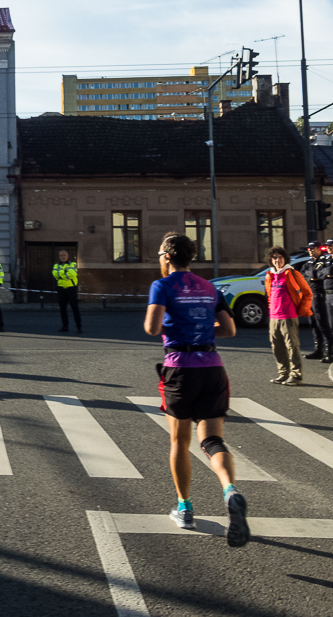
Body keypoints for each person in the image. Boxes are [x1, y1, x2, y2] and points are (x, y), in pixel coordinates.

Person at [144, 232, 249, 548]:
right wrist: (201, 326)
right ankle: (230, 489)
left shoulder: (162, 285)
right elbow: (229, 329)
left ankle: (185, 507)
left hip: (180, 366)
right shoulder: (209, 287)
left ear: (166, 257)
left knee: (179, 440)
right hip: (213, 367)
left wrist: (178, 326)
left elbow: (151, 327)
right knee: (213, 440)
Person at [263, 247, 312, 385]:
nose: (277, 260)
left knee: (292, 346)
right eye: (274, 258)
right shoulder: (270, 275)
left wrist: (302, 310)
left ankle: (296, 375)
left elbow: (307, 293)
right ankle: (283, 373)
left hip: (288, 316)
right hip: (274, 317)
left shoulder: (292, 274)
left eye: (279, 257)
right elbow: (270, 296)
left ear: (285, 259)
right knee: (276, 346)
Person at [300, 241, 328, 359]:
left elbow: (321, 275)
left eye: (313, 249)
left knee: (322, 322)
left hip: (320, 294)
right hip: (310, 295)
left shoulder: (324, 261)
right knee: (314, 323)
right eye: (309, 249)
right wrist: (311, 276)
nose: (310, 251)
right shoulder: (309, 262)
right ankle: (318, 350)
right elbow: (302, 275)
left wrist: (311, 275)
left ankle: (329, 350)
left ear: (319, 249)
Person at [52, 249, 82, 333]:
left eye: (64, 255)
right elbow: (55, 275)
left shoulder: (73, 264)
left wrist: (61, 274)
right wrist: (65, 272)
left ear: (68, 255)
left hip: (71, 288)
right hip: (61, 289)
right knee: (62, 309)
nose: (63, 257)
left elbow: (73, 274)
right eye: (61, 255)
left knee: (75, 308)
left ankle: (79, 326)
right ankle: (65, 326)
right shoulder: (56, 265)